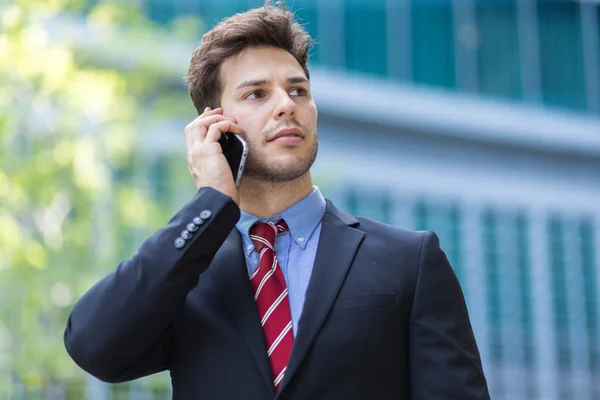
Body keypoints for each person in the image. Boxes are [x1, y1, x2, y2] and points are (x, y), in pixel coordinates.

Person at [64, 2, 490, 399]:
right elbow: (95, 347)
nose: (287, 105)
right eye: (257, 94)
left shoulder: (409, 261)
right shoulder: (185, 273)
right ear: (215, 126)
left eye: (298, 90)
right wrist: (209, 203)